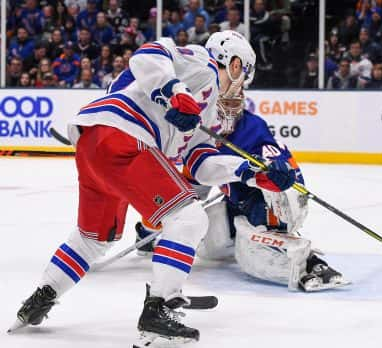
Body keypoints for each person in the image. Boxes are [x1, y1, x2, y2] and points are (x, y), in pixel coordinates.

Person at [9, 31, 262, 347]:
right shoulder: (204, 64)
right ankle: (159, 309)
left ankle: (43, 295)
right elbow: (147, 54)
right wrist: (176, 93)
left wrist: (251, 173)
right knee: (189, 219)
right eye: (243, 79)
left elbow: (200, 163)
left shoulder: (207, 109)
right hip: (123, 137)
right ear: (235, 64)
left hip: (96, 144)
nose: (239, 92)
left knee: (95, 238)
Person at [136, 60, 348, 292]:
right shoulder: (200, 138)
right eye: (220, 107)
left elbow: (287, 179)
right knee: (210, 247)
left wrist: (275, 174)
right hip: (237, 206)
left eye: (233, 104)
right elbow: (192, 191)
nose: (226, 113)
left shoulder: (253, 128)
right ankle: (256, 239)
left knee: (250, 255)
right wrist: (151, 228)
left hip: (269, 204)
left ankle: (305, 261)